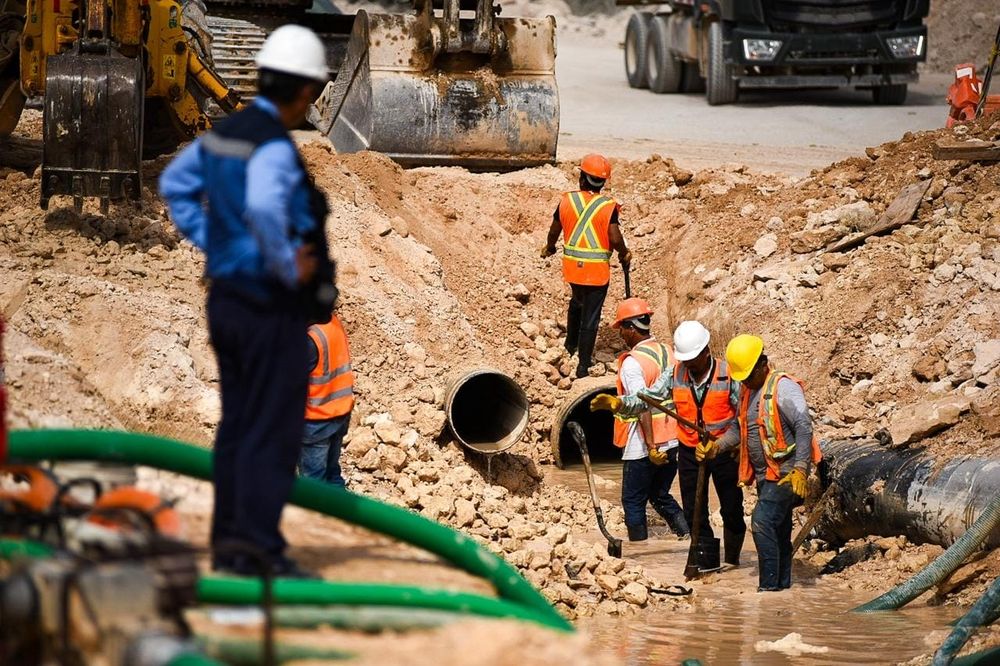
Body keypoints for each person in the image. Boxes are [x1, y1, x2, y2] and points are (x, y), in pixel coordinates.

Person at [159, 24, 333, 577]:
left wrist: (216, 242)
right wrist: (282, 263)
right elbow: (262, 205)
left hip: (227, 302)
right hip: (266, 307)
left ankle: (232, 545)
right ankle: (259, 551)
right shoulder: (274, 148)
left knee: (238, 425)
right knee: (274, 430)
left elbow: (176, 185)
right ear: (305, 91)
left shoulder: (225, 133)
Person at [591, 320, 746, 569]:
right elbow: (648, 399)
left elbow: (743, 419)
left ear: (706, 352)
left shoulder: (728, 376)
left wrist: (724, 445)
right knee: (695, 512)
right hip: (689, 452)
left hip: (722, 451)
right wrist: (620, 404)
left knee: (731, 509)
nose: (688, 365)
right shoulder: (676, 374)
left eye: (692, 360)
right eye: (684, 359)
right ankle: (705, 563)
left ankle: (732, 562)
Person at [701, 334, 822, 591]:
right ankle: (780, 588)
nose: (744, 381)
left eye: (748, 375)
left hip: (787, 474)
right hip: (765, 474)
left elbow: (803, 426)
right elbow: (739, 427)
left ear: (762, 364)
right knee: (778, 530)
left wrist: (801, 469)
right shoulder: (748, 390)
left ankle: (767, 589)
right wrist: (717, 447)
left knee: (762, 522)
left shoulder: (784, 387)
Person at [541, 154, 631, 378]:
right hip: (597, 272)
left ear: (582, 178)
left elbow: (554, 230)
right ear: (602, 182)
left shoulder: (567, 201)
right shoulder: (607, 206)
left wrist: (550, 247)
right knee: (591, 315)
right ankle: (583, 365)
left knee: (577, 301)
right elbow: (614, 237)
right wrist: (624, 252)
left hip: (572, 268)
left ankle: (570, 345)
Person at [611, 298, 689, 542]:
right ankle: (687, 534)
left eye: (622, 328)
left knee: (632, 500)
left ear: (631, 328)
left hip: (646, 443)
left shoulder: (634, 362)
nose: (621, 334)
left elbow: (642, 403)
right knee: (658, 492)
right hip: (674, 438)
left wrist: (652, 446)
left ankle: (639, 551)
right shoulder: (668, 351)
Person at [301, 312, 355, 486]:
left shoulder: (310, 339)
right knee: (332, 475)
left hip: (316, 422)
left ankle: (315, 512)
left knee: (313, 483)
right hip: (340, 413)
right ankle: (341, 512)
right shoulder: (332, 322)